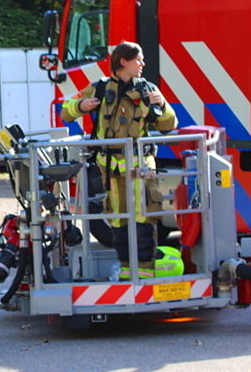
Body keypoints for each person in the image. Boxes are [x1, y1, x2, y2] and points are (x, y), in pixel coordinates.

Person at [60, 42, 178, 279]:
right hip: (110, 169)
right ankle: (126, 268)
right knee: (118, 219)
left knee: (144, 217)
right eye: (138, 60)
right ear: (123, 62)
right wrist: (81, 105)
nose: (143, 64)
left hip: (141, 167)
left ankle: (144, 270)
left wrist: (162, 105)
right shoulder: (99, 89)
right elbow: (66, 111)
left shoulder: (148, 90)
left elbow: (169, 125)